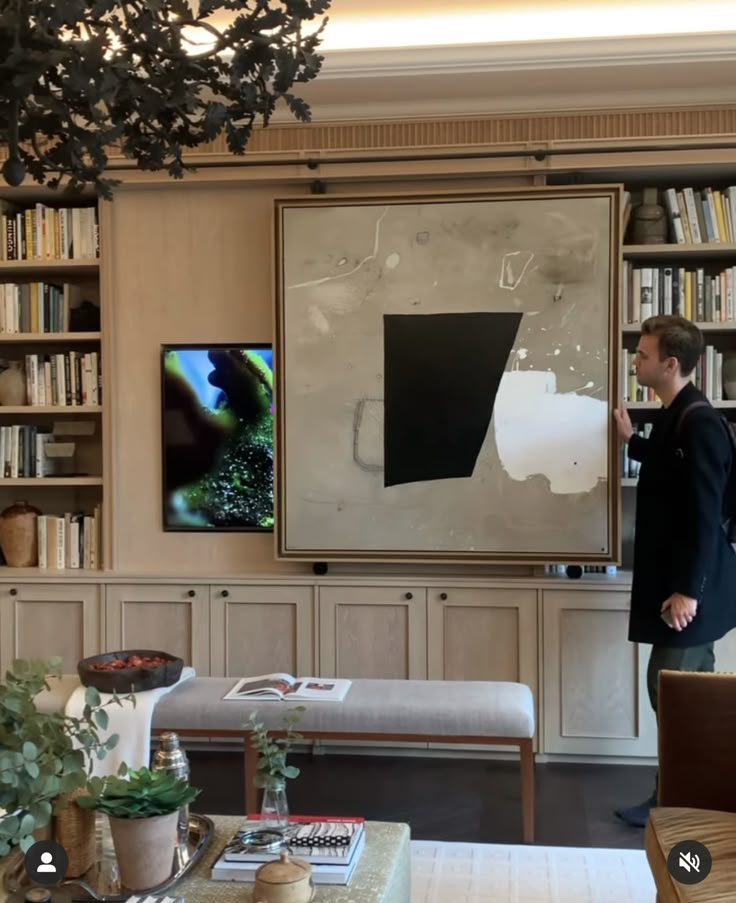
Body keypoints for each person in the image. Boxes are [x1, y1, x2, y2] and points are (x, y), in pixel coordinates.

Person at [613, 314, 736, 827]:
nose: (635, 361)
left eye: (641, 355)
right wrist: (631, 440)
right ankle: (686, 795)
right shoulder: (676, 414)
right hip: (688, 587)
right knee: (683, 693)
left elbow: (706, 515)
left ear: (670, 363)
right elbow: (670, 467)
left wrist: (689, 590)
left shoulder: (699, 421)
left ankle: (681, 800)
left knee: (674, 691)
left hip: (694, 590)